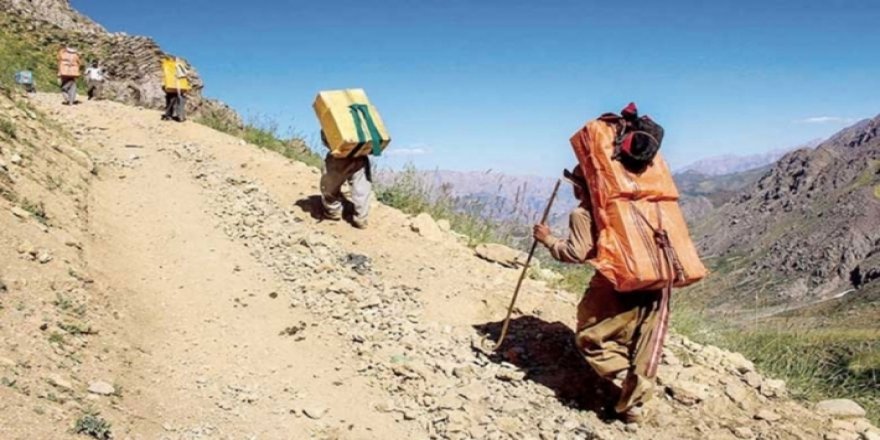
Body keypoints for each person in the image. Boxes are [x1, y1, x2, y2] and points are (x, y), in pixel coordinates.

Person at [533, 165, 662, 424]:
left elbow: (575, 253)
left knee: (591, 338)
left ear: (583, 186)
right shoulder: (638, 205)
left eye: (576, 183)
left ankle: (625, 381)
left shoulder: (583, 213)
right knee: (639, 343)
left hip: (614, 285)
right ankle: (633, 407)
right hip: (655, 283)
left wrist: (548, 240)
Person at [319, 131, 372, 229]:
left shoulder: (333, 117)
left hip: (339, 156)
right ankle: (361, 218)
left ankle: (333, 211)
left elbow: (327, 139)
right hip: (361, 155)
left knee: (329, 185)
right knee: (362, 188)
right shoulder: (360, 118)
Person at [162, 57, 189, 122]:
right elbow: (185, 75)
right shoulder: (181, 66)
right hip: (179, 87)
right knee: (180, 101)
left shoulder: (169, 66)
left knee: (171, 100)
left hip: (173, 85)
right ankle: (180, 117)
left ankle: (168, 116)